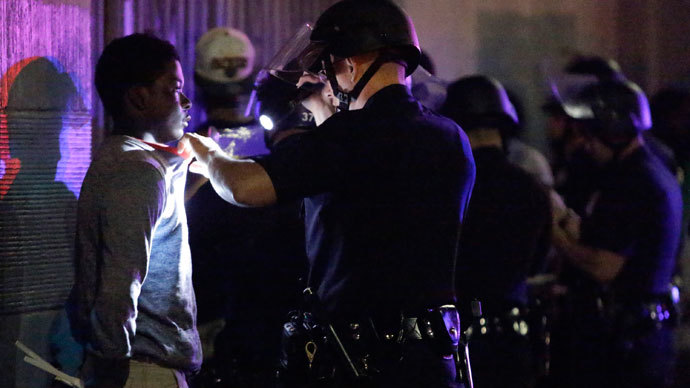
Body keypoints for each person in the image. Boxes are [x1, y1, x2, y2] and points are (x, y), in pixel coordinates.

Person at [179, 1, 476, 387]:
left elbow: (245, 187)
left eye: (327, 67)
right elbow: (360, 191)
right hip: (434, 360)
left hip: (362, 364)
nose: (326, 79)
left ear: (351, 64)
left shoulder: (350, 137)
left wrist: (206, 152)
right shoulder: (450, 136)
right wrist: (324, 112)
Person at [71, 33, 201, 388]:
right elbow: (119, 283)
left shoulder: (127, 159)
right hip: (142, 370)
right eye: (174, 88)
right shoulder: (138, 171)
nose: (186, 101)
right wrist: (112, 363)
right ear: (139, 98)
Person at [187, 33, 310, 387]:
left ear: (197, 81)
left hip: (207, 326)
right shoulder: (284, 150)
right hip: (275, 323)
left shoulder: (185, 153)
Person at [549, 78, 682, 388]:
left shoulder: (634, 181)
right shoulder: (640, 171)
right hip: (640, 337)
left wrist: (554, 233)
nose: (584, 142)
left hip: (628, 345)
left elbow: (604, 266)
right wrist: (566, 218)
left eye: (589, 132)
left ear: (612, 131)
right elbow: (605, 235)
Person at [441, 75, 552, 388]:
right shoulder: (533, 187)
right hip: (517, 340)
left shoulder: (453, 185)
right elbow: (538, 264)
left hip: (464, 341)